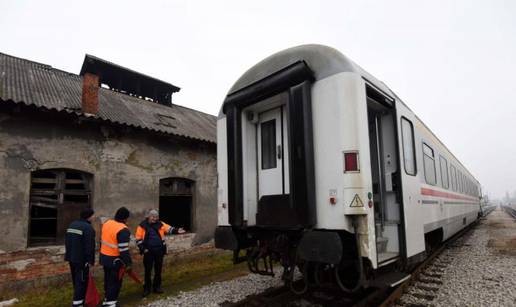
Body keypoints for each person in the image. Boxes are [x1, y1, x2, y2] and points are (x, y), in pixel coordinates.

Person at [135, 209, 185, 297]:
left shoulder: (160, 224)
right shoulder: (142, 225)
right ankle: (147, 288)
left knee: (158, 270)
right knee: (148, 271)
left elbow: (169, 229)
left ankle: (157, 287)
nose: (155, 219)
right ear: (149, 217)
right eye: (153, 217)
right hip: (148, 252)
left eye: (156, 217)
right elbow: (138, 239)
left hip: (159, 251)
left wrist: (177, 230)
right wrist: (143, 249)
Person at [100, 207, 132, 307]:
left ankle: (106, 300)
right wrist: (128, 264)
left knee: (107, 280)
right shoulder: (123, 230)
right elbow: (124, 250)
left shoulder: (107, 223)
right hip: (115, 260)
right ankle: (111, 303)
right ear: (125, 218)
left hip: (104, 258)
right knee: (115, 282)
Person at [65, 208, 96, 307]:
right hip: (81, 260)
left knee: (76, 280)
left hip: (71, 258)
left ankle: (79, 300)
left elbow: (67, 241)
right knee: (81, 282)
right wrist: (90, 261)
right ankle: (77, 303)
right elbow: (89, 246)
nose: (94, 217)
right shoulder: (88, 228)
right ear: (89, 216)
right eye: (93, 215)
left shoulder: (72, 224)